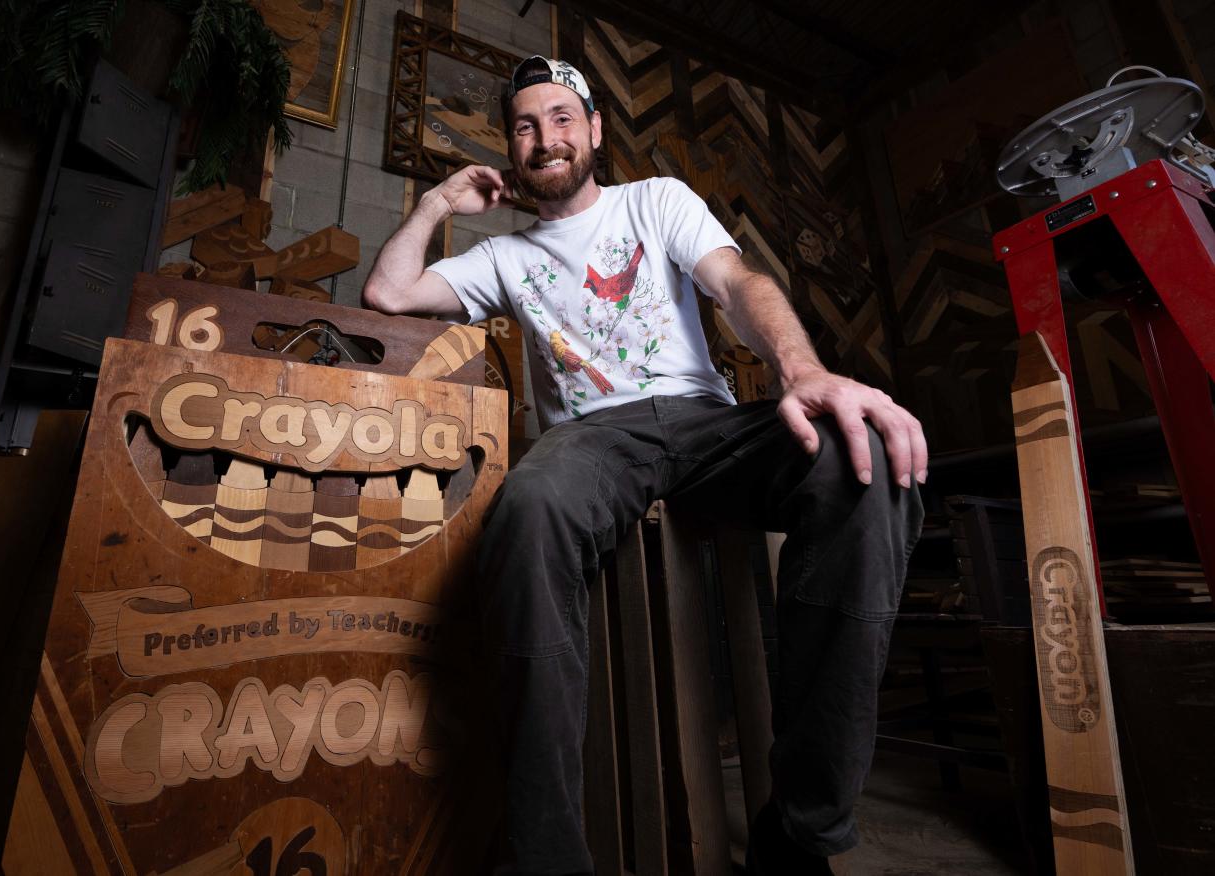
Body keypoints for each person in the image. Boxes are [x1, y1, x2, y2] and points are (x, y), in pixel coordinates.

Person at [363, 55, 926, 876]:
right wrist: (440, 203)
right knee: (530, 508)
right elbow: (388, 294)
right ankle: (548, 859)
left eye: (561, 118)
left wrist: (801, 372)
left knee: (857, 457)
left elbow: (736, 281)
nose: (543, 137)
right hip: (595, 442)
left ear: (594, 130)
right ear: (511, 149)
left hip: (705, 422)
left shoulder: (655, 201)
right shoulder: (504, 259)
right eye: (524, 125)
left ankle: (802, 828)